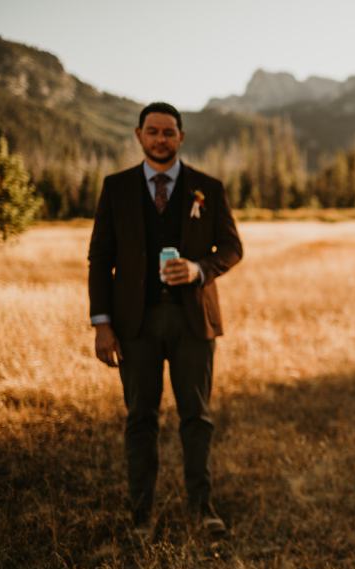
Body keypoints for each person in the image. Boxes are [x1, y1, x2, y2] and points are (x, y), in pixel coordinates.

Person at [87, 102, 243, 540]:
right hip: (134, 325)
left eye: (168, 132)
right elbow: (100, 258)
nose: (160, 139)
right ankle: (141, 516)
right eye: (152, 131)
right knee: (140, 418)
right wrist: (102, 323)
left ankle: (203, 509)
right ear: (139, 135)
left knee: (197, 417)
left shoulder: (207, 188)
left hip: (193, 322)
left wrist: (198, 270)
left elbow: (232, 248)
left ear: (181, 137)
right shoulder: (116, 188)